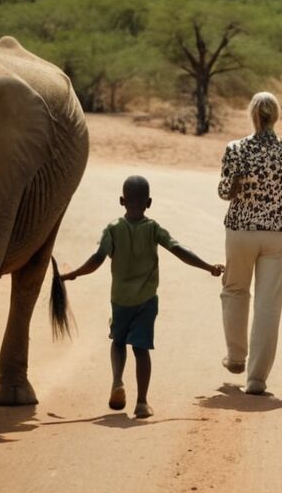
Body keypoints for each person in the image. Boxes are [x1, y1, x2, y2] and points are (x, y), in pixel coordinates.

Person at [61, 175, 223, 418]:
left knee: (117, 341)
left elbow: (97, 258)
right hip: (146, 300)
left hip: (120, 299)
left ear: (121, 201)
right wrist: (208, 266)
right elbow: (179, 250)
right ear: (149, 203)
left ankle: (117, 381)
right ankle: (142, 402)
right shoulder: (154, 228)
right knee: (141, 349)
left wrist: (73, 274)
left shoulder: (112, 229)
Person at [218, 91, 282, 395]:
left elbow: (224, 191)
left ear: (252, 114)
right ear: (276, 116)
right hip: (276, 233)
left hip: (240, 231)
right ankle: (256, 378)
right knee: (267, 304)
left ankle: (236, 357)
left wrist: (243, 180)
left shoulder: (235, 149)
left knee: (235, 290)